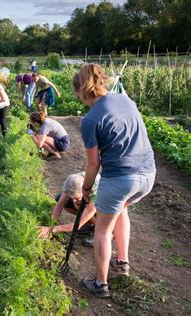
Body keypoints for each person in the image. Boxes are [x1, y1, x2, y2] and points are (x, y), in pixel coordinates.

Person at [73, 63, 156, 298]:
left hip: (121, 178)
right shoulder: (125, 100)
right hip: (148, 175)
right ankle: (122, 262)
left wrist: (87, 189)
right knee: (121, 212)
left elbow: (93, 163)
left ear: (81, 91)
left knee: (102, 230)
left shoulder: (90, 120)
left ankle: (100, 283)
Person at [38, 172, 101, 247]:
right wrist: (50, 224)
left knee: (84, 208)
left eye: (76, 197)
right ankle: (89, 224)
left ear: (83, 190)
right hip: (89, 202)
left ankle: (101, 231)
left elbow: (76, 225)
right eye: (72, 198)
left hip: (105, 210)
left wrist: (52, 229)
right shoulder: (72, 183)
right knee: (60, 198)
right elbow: (60, 205)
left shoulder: (95, 192)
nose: (74, 201)